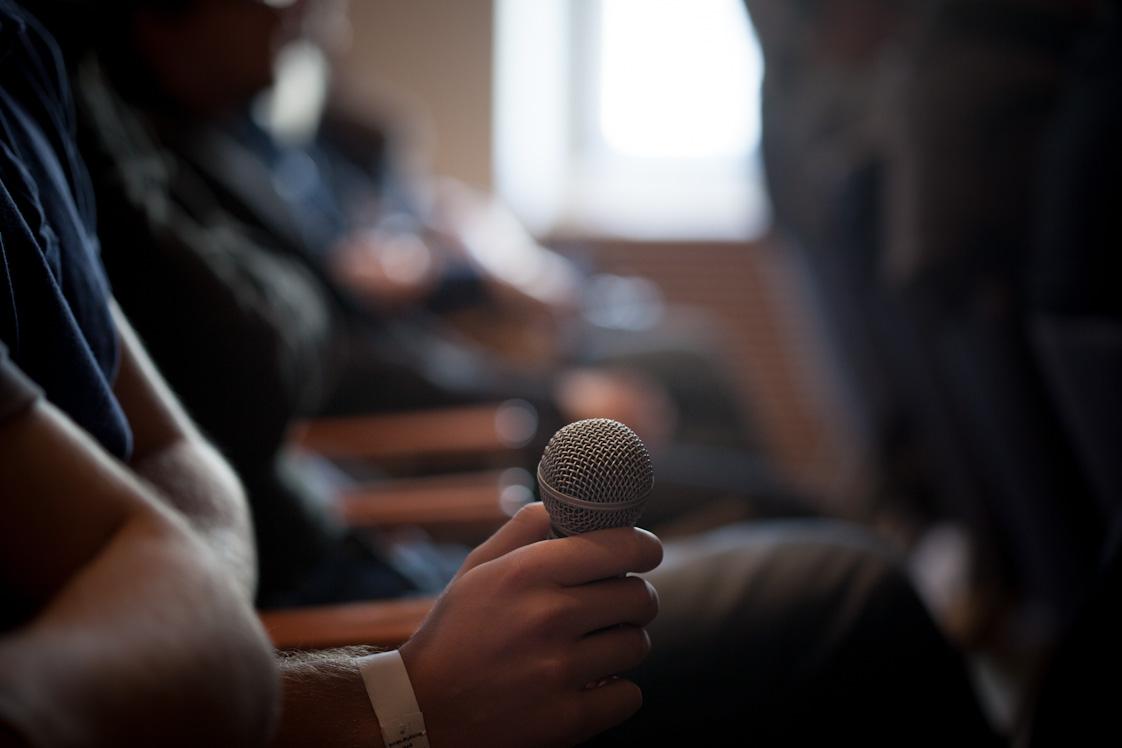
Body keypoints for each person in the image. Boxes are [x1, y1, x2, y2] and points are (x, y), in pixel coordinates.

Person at [11, 1, 1008, 745]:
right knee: (847, 590)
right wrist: (396, 693)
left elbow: (223, 419)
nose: (299, 14)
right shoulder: (122, 108)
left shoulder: (47, 70)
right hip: (351, 617)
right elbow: (274, 360)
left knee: (718, 410)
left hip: (357, 562)